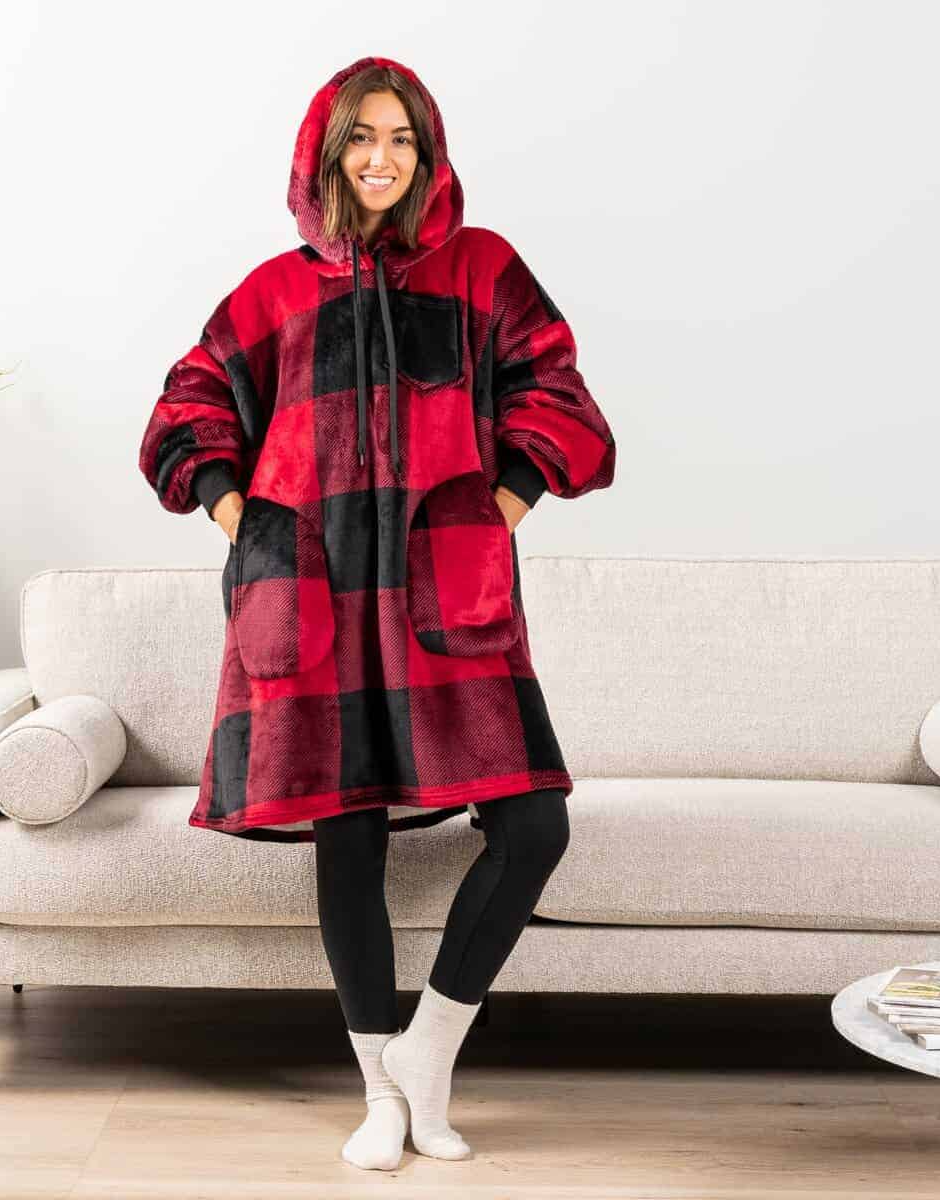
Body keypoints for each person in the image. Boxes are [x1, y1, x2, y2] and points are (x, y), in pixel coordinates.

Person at [138, 55, 616, 1170]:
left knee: (533, 826)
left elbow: (559, 396)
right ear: (326, 152)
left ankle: (428, 1052)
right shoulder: (274, 291)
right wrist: (241, 516)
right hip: (311, 583)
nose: (381, 158)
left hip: (446, 588)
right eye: (361, 136)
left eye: (401, 138)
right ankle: (381, 1094)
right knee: (345, 831)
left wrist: (497, 506)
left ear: (427, 152)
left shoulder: (482, 267)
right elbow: (186, 406)